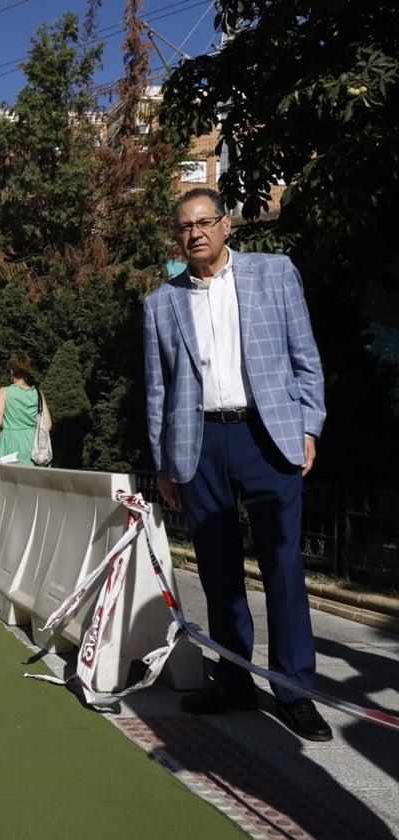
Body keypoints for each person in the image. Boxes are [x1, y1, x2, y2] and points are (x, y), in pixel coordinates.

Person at [143, 187, 330, 742]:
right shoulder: (160, 303)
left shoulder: (275, 274)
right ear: (177, 237)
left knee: (282, 566)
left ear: (226, 225)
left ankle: (295, 690)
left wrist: (309, 426)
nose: (195, 232)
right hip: (199, 445)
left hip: (268, 436)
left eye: (204, 222)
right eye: (184, 226)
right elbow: (158, 390)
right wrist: (163, 463)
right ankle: (234, 680)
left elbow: (306, 359)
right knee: (218, 571)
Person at [0, 353, 51, 466]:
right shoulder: (38, 394)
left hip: (10, 441)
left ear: (11, 371)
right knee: (32, 480)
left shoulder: (3, 392)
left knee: (9, 478)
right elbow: (48, 424)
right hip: (33, 441)